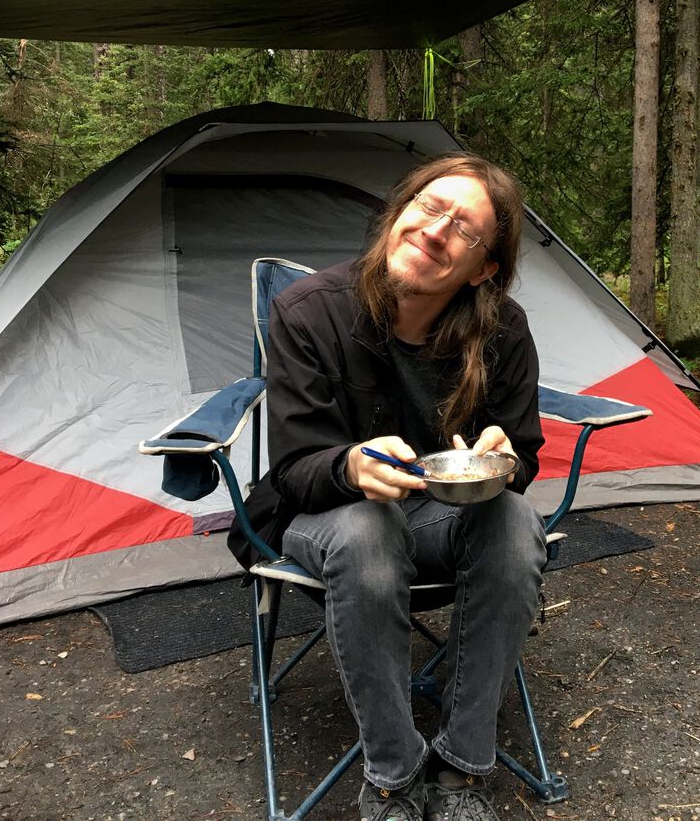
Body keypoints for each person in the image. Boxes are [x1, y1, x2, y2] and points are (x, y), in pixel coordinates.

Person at [229, 153, 547, 821]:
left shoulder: (502, 331)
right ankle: (394, 776)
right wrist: (348, 466)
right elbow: (292, 468)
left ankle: (462, 766)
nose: (435, 231)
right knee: (368, 527)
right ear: (399, 213)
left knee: (514, 521)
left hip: (436, 519)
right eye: (429, 207)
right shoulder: (309, 312)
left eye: (464, 228)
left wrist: (505, 459)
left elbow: (522, 451)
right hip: (325, 514)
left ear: (483, 268)